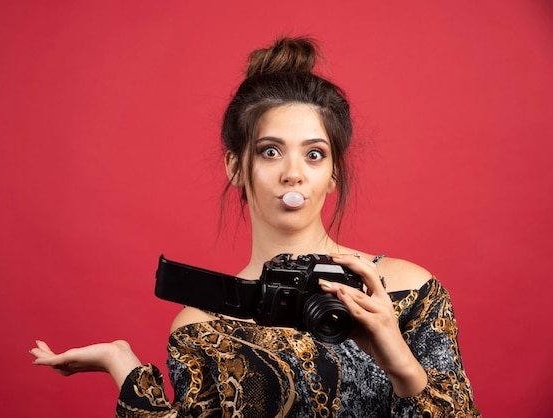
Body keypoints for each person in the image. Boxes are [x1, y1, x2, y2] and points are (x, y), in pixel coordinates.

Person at [30, 37, 480, 417]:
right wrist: (120, 362)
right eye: (270, 151)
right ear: (235, 166)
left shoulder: (409, 290)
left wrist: (397, 358)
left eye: (314, 154)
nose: (293, 174)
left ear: (334, 173)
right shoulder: (202, 323)